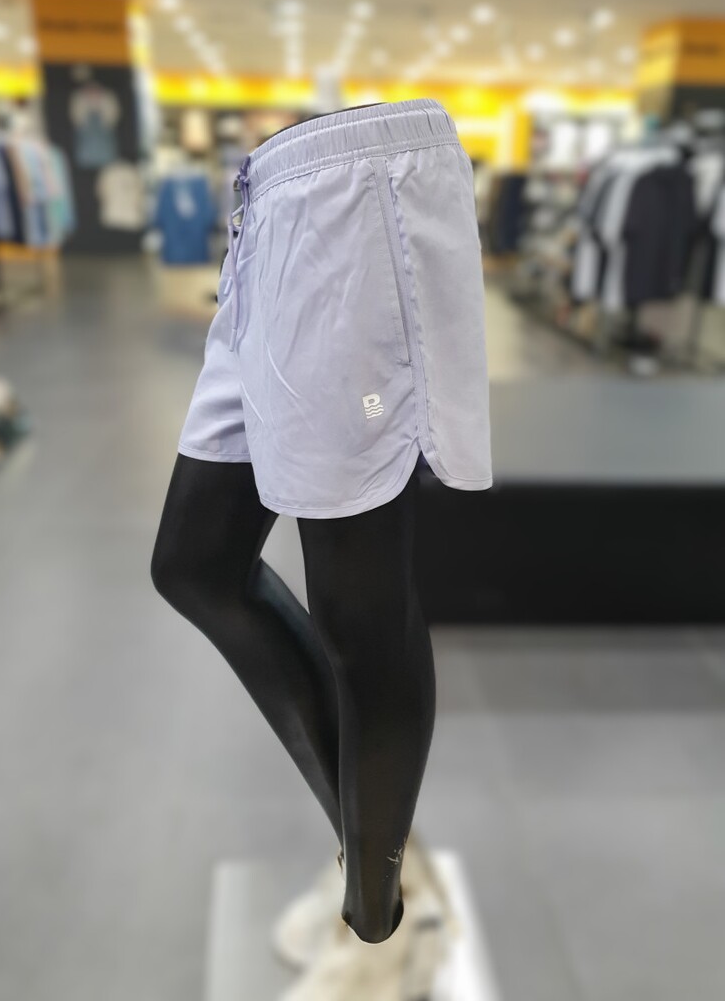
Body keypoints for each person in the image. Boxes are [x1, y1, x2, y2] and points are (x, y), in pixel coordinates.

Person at [151, 98, 492, 945]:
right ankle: (374, 848)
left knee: (359, 613)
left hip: (352, 201)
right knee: (194, 564)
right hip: (269, 221)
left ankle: (376, 918)